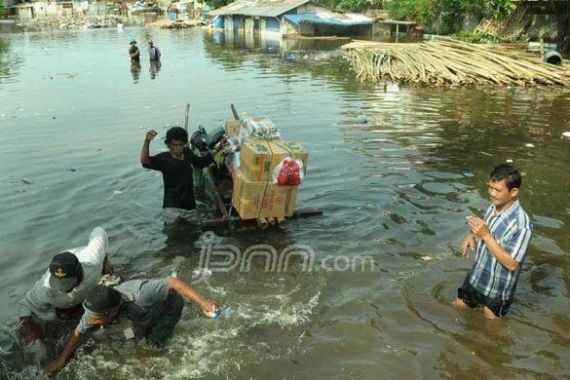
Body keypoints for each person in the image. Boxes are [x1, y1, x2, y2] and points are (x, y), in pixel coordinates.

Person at [44, 276, 218, 376]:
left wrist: (203, 303)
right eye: (91, 318)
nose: (92, 322)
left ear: (111, 313)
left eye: (96, 320)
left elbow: (173, 282)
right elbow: (78, 333)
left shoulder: (142, 293)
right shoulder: (93, 312)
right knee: (124, 350)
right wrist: (60, 361)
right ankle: (139, 332)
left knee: (153, 347)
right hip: (129, 318)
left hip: (166, 307)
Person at [453, 163, 533, 319]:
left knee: (493, 332)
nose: (492, 193)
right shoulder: (493, 206)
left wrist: (486, 236)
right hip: (477, 277)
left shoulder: (522, 225)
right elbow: (486, 228)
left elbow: (512, 264)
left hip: (497, 289)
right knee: (457, 308)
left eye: (497, 190)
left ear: (514, 191)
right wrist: (473, 236)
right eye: (490, 187)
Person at [19, 227, 116, 342]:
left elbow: (99, 231)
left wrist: (105, 260)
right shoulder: (46, 288)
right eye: (58, 283)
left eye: (67, 284)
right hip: (62, 307)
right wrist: (30, 332)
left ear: (80, 272)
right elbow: (25, 305)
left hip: (89, 287)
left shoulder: (93, 258)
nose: (62, 289)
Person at [140, 127, 214, 224]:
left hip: (189, 207)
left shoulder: (187, 153)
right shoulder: (163, 159)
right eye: (174, 145)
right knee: (173, 234)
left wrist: (218, 149)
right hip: (172, 208)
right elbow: (145, 161)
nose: (178, 148)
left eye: (181, 145)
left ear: (184, 143)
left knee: (193, 235)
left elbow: (200, 163)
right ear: (169, 144)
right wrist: (147, 141)